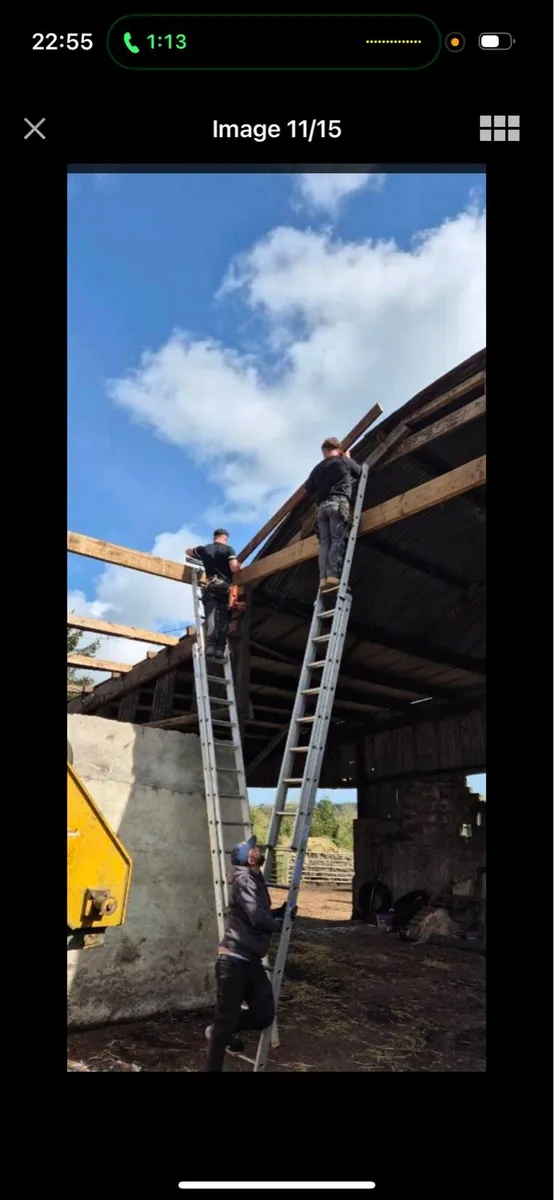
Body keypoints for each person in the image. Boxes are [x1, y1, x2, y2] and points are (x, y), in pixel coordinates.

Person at [205, 835, 296, 1072]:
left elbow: (258, 913)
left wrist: (279, 913)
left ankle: (219, 1030)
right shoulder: (245, 880)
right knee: (225, 1024)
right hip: (233, 961)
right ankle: (218, 1039)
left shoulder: (255, 879)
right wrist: (279, 925)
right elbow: (256, 917)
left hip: (251, 961)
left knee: (264, 1014)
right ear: (249, 859)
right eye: (253, 848)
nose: (257, 848)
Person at [304, 437, 363, 589]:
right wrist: (348, 458)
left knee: (324, 543)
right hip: (337, 503)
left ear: (324, 451)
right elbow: (360, 472)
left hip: (322, 509)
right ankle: (333, 576)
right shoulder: (343, 460)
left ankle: (323, 579)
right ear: (338, 449)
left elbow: (308, 489)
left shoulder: (317, 469)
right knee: (337, 539)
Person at [186, 529, 241, 660]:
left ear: (214, 537)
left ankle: (210, 646)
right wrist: (240, 566)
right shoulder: (229, 550)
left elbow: (188, 551)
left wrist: (200, 555)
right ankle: (220, 649)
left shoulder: (204, 549)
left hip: (210, 586)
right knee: (224, 619)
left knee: (210, 616)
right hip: (224, 587)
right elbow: (233, 567)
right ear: (225, 538)